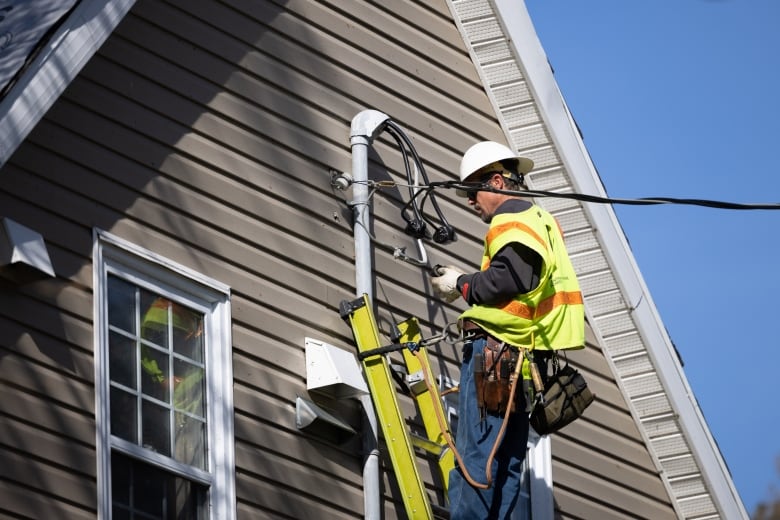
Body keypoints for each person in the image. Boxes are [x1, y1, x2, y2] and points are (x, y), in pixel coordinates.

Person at [430, 141, 585, 519]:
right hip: (519, 362)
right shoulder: (542, 221)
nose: (469, 201)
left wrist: (461, 283)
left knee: (478, 459)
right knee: (506, 463)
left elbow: (507, 278)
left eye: (472, 191)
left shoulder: (513, 221)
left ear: (497, 182)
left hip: (495, 358)